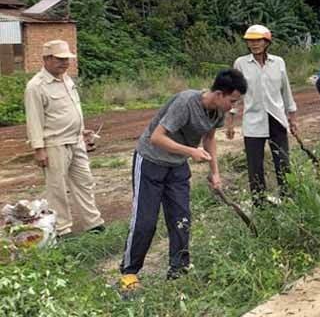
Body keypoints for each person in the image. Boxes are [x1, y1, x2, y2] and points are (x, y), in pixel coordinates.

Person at [119, 69, 247, 293]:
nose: (233, 106)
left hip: (177, 165)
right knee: (145, 220)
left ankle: (178, 270)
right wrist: (190, 151)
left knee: (181, 218)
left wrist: (215, 172)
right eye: (232, 101)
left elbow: (209, 138)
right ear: (219, 94)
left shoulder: (218, 111)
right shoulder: (186, 102)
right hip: (151, 160)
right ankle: (129, 273)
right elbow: (156, 137)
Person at [24, 40, 104, 238]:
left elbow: (70, 109)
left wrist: (82, 131)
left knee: (85, 182)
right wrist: (39, 149)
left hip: (76, 140)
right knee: (57, 188)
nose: (65, 62)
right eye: (60, 59)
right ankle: (62, 229)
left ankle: (93, 223)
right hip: (54, 144)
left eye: (67, 59)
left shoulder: (66, 79)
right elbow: (34, 120)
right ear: (46, 59)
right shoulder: (36, 86)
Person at [227, 25, 299, 207]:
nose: (254, 44)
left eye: (258, 40)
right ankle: (259, 202)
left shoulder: (278, 62)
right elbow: (235, 93)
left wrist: (293, 117)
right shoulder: (241, 63)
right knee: (254, 165)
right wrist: (231, 121)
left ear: (266, 42)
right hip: (253, 120)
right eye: (250, 41)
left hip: (276, 118)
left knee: (283, 162)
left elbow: (286, 91)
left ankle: (288, 198)